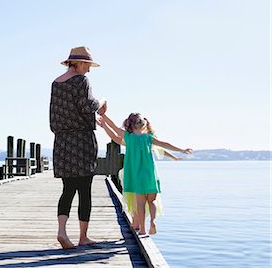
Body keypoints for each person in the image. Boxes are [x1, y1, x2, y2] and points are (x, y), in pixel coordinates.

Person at [49, 46, 107, 249]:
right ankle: (83, 236)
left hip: (62, 142)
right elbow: (87, 106)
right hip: (81, 141)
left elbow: (58, 115)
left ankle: (62, 232)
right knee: (85, 190)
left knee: (67, 189)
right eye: (88, 66)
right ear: (80, 63)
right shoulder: (81, 80)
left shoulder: (56, 83)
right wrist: (102, 101)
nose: (89, 70)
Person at [97, 113, 192, 235]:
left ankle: (143, 229)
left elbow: (114, 131)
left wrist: (104, 120)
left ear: (129, 124)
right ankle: (153, 221)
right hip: (150, 174)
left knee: (140, 203)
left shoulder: (128, 137)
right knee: (151, 201)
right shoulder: (149, 138)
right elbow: (164, 145)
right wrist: (181, 150)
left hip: (136, 175)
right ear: (144, 124)